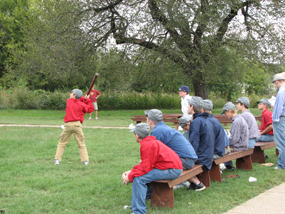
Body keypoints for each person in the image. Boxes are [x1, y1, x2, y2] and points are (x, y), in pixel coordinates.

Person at [122, 123, 182, 214]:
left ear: (137, 136)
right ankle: (137, 206)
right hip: (171, 168)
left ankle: (139, 211)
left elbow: (145, 168)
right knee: (138, 176)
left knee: (139, 179)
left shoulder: (147, 145)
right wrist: (131, 171)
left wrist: (130, 176)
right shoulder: (150, 142)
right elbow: (146, 164)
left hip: (172, 170)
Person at [145, 109, 205, 191]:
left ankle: (152, 191)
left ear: (150, 121)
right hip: (190, 158)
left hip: (185, 160)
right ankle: (197, 183)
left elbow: (154, 154)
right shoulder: (164, 127)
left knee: (155, 166)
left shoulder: (156, 131)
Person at [54, 89, 94, 165]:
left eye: (71, 93)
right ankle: (85, 161)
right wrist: (87, 99)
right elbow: (90, 109)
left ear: (74, 95)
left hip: (68, 125)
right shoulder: (81, 104)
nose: (70, 94)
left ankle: (57, 160)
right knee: (81, 144)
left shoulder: (69, 101)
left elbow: (79, 99)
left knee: (62, 143)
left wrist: (84, 98)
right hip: (77, 125)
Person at [187, 97, 215, 177]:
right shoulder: (206, 119)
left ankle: (182, 182)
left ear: (192, 107)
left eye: (188, 105)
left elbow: (194, 143)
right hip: (207, 157)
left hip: (202, 159)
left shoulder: (196, 122)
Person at [222, 102, 249, 169]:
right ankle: (229, 165)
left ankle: (229, 166)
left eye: (225, 113)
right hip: (243, 144)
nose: (225, 115)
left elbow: (234, 139)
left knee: (221, 149)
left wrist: (226, 143)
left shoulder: (236, 121)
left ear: (230, 111)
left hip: (240, 146)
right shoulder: (240, 118)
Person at [272, 73, 285, 169]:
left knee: (281, 142)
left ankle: (282, 164)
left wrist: (275, 119)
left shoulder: (281, 92)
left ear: (277, 82)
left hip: (280, 119)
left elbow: (280, 107)